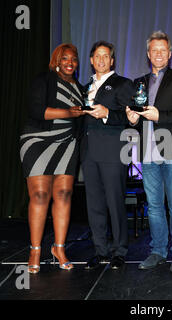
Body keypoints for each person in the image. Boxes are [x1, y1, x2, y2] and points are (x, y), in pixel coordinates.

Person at [111, 31, 172, 272]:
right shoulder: (139, 82)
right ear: (148, 54)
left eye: (162, 50)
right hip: (147, 153)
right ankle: (158, 250)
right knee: (154, 205)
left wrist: (160, 116)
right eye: (153, 50)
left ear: (169, 54)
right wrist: (132, 118)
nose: (158, 54)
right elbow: (135, 120)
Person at [19, 43, 85, 273]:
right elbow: (37, 110)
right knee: (39, 194)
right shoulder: (43, 80)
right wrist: (68, 112)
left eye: (74, 59)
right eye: (65, 58)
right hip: (38, 141)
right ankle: (35, 249)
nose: (69, 63)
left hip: (67, 144)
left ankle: (59, 248)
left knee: (64, 194)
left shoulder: (80, 87)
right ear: (57, 60)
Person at [81, 41, 135, 270]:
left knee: (115, 203)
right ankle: (100, 250)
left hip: (113, 151)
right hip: (89, 153)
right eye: (97, 56)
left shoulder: (123, 84)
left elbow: (131, 117)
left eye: (106, 56)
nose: (101, 59)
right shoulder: (85, 87)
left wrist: (107, 114)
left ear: (112, 60)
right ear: (92, 60)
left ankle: (119, 251)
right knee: (94, 205)